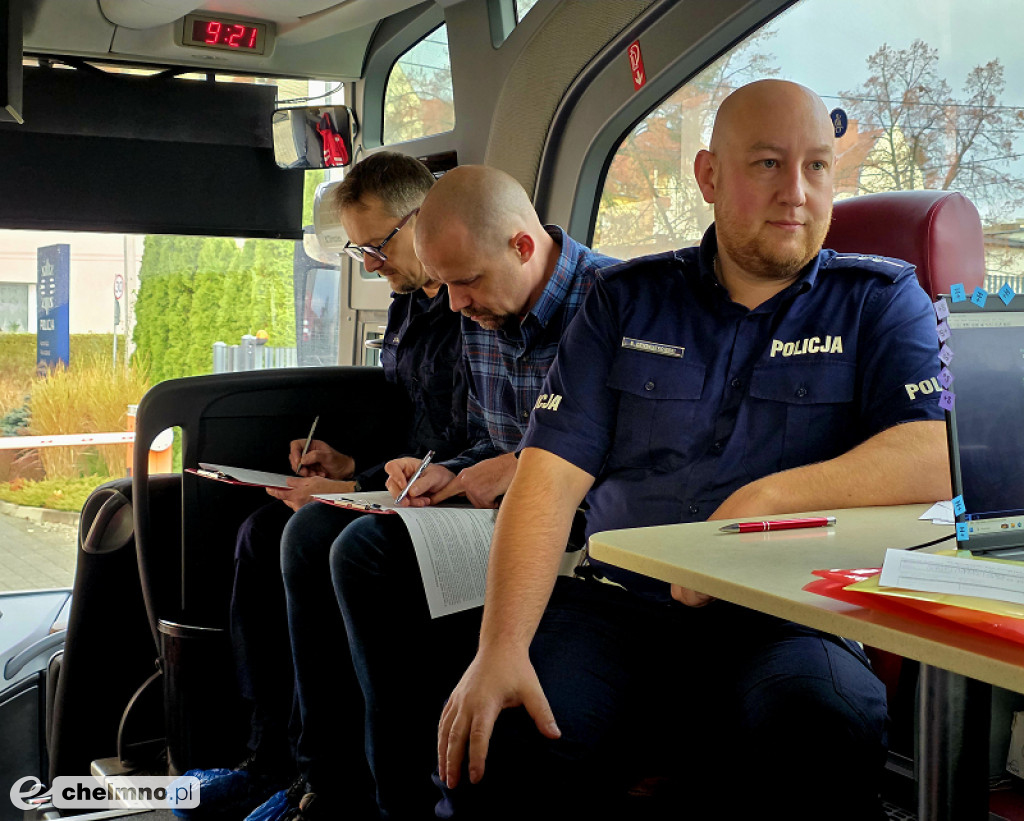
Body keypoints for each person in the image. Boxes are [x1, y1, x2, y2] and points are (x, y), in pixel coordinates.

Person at [436, 80, 951, 820]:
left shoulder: (880, 302)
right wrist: (499, 648)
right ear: (709, 176)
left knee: (820, 725)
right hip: (620, 614)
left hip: (791, 620)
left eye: (817, 167)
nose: (797, 194)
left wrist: (763, 501)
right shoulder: (625, 301)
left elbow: (935, 453)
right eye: (768, 164)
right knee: (497, 739)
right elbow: (545, 481)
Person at [283, 164, 615, 819]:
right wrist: (446, 468)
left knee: (363, 554)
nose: (455, 305)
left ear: (521, 247)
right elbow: (482, 437)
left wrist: (518, 466)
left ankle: (400, 803)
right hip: (491, 513)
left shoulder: (614, 304)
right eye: (448, 285)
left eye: (465, 283)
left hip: (576, 529)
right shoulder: (479, 311)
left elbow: (634, 454)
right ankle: (330, 783)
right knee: (311, 530)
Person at [176, 151, 468, 821]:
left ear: (425, 217)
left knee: (312, 535)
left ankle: (326, 780)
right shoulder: (407, 309)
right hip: (399, 481)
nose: (371, 264)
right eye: (359, 252)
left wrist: (362, 484)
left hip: (447, 496)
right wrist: (347, 466)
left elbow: (463, 440)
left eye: (378, 246)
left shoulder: (471, 306)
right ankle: (267, 755)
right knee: (257, 531)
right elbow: (410, 424)